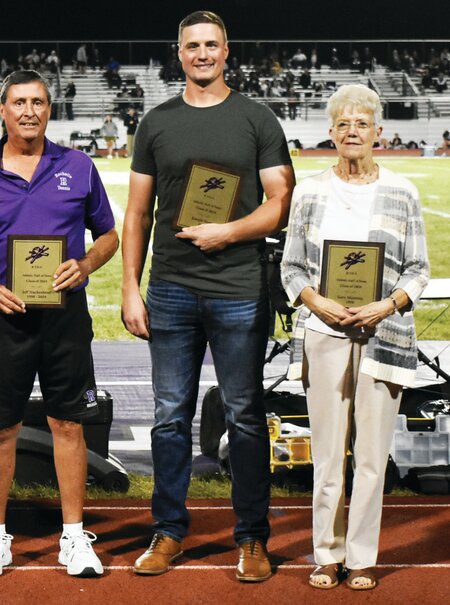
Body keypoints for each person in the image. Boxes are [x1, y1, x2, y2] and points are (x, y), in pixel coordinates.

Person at [121, 10, 295, 582]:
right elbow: (138, 213)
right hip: (170, 288)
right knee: (169, 417)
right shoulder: (157, 122)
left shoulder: (256, 118)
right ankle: (168, 531)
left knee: (245, 418)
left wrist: (230, 231)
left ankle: (252, 539)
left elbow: (279, 203)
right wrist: (130, 287)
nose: (201, 54)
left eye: (211, 45)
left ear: (227, 51)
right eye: (192, 45)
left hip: (240, 288)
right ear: (179, 53)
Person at [0, 70, 118, 579]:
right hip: (4, 318)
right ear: (2, 109)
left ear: (49, 109)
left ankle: (73, 536)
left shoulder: (79, 166)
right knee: (0, 430)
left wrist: (84, 265)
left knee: (69, 423)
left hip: (65, 318)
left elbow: (108, 236)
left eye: (38, 102)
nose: (29, 111)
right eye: (19, 102)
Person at [280, 84, 430, 591]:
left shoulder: (402, 192)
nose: (351, 131)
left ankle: (361, 556)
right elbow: (291, 267)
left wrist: (386, 304)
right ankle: (327, 553)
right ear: (331, 132)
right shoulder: (311, 190)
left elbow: (418, 271)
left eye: (361, 123)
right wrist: (317, 302)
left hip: (383, 334)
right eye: (343, 123)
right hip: (323, 333)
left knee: (370, 457)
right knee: (327, 454)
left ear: (378, 133)